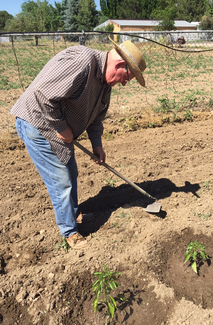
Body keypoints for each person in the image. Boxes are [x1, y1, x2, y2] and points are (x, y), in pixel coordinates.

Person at [10, 36, 146, 249]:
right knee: (61, 180)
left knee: (70, 173)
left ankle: (73, 214)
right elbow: (43, 95)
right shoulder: (82, 62)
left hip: (57, 129)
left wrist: (97, 145)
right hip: (37, 124)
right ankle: (69, 231)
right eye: (126, 78)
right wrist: (62, 127)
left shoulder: (104, 85)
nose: (123, 83)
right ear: (120, 64)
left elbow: (96, 118)